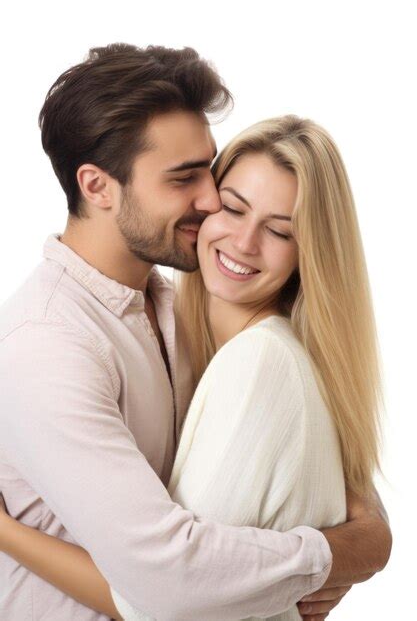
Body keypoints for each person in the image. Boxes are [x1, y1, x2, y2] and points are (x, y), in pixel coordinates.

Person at [0, 44, 391, 621]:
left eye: (209, 170)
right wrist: (333, 555)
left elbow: (308, 453)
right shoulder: (48, 344)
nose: (210, 199)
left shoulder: (175, 304)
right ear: (98, 186)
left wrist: (371, 536)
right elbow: (170, 579)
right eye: (184, 178)